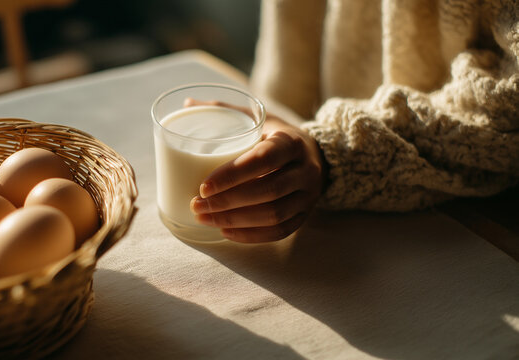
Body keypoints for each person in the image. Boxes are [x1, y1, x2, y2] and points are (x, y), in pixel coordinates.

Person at [190, 0, 519, 243]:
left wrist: (336, 148)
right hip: (318, 192)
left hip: (473, 227)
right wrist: (282, 123)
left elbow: (507, 101)